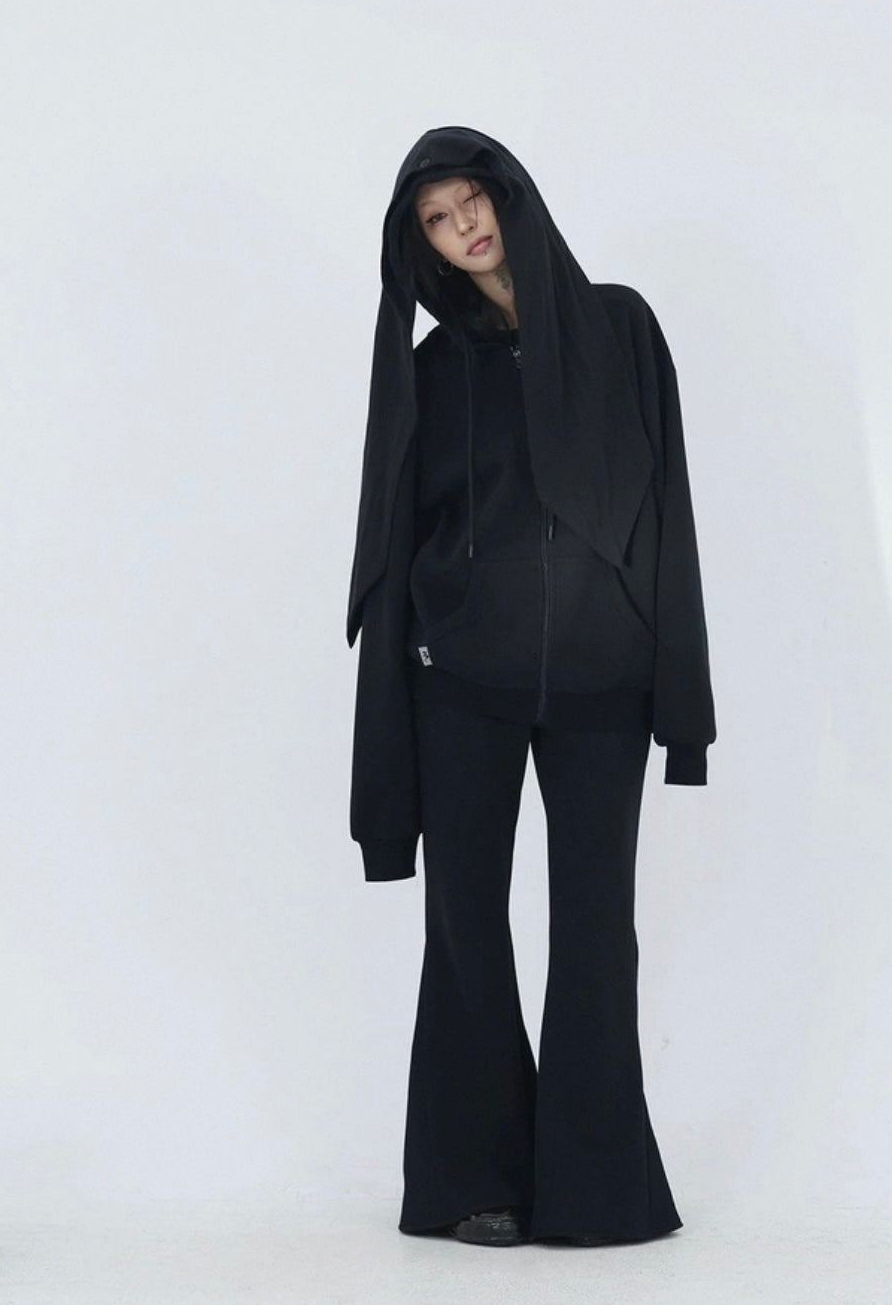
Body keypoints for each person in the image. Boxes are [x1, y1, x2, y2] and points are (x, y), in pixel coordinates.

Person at [345, 126, 716, 1247]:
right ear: (420, 244)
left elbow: (668, 512)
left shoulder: (619, 329)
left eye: (472, 199)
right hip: (462, 683)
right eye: (436, 218)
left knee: (597, 930)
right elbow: (397, 533)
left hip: (603, 681)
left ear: (510, 196)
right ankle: (477, 1182)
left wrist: (679, 700)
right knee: (466, 925)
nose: (463, 226)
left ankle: (596, 1191)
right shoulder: (429, 370)